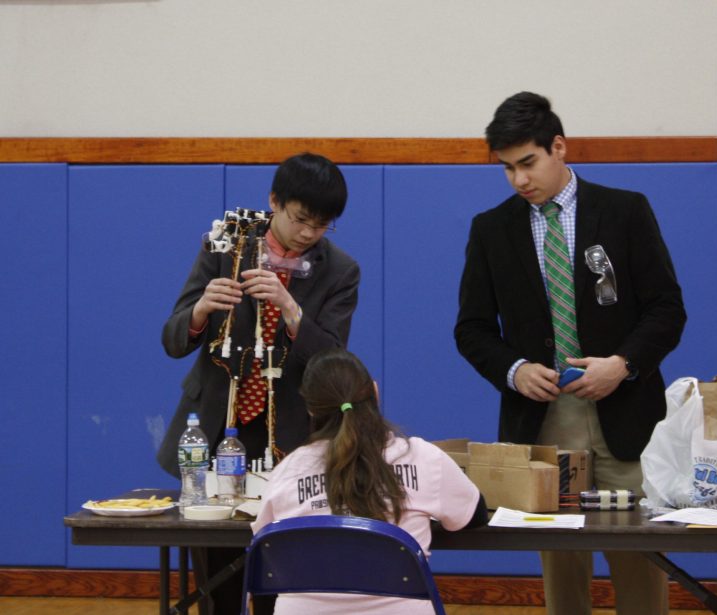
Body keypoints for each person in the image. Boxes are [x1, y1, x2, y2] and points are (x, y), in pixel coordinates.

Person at [454, 92, 686, 615]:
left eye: (528, 163)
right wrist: (513, 371)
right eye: (507, 168)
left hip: (626, 415)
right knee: (561, 570)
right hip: (543, 421)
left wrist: (622, 366)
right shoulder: (490, 230)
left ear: (558, 147)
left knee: (640, 558)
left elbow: (667, 310)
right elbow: (471, 329)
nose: (519, 179)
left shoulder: (625, 211)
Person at [158, 152, 360, 614]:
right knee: (217, 578)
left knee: (283, 573)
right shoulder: (223, 245)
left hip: (288, 433)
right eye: (300, 219)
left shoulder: (340, 270)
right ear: (274, 202)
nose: (309, 233)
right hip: (216, 429)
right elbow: (172, 339)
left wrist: (293, 311)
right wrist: (201, 310)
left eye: (323, 225)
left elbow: (333, 361)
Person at [252, 348, 488, 614]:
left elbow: (266, 548)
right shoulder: (423, 458)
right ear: (374, 392)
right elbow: (474, 515)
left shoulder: (287, 471)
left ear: (310, 409)